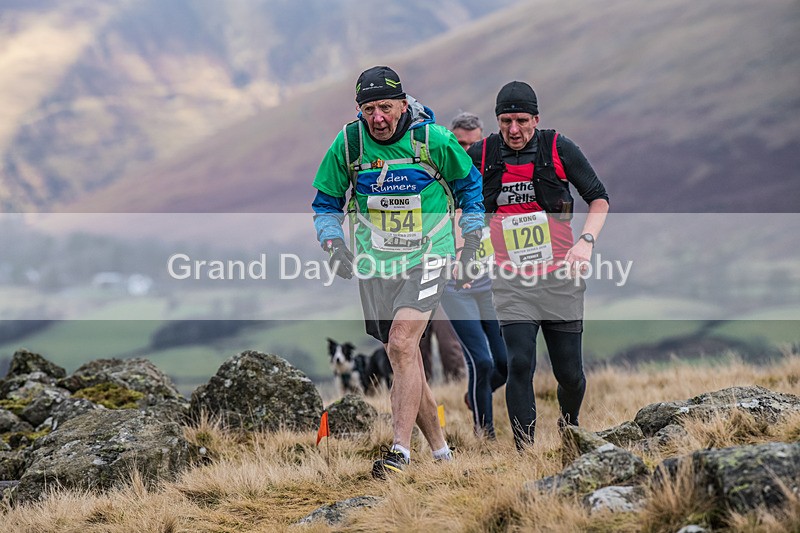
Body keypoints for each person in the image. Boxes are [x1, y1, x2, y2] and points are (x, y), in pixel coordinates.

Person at [311, 66, 485, 477]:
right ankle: (442, 452)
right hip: (375, 261)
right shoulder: (349, 144)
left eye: (386, 107)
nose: (378, 118)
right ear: (359, 110)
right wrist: (333, 242)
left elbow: (470, 186)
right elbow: (326, 202)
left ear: (403, 104)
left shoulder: (433, 139)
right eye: (369, 109)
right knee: (401, 354)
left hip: (430, 254)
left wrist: (473, 235)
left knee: (403, 344)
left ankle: (399, 453)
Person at [466, 81, 609, 449]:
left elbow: (599, 198)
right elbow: (455, 201)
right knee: (519, 364)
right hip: (511, 280)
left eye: (522, 120)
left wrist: (586, 242)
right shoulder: (482, 154)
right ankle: (524, 452)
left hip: (560, 277)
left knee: (571, 375)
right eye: (506, 121)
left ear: (536, 118)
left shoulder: (558, 147)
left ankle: (569, 424)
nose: (514, 130)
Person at [440, 111, 508, 439]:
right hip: (454, 288)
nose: (467, 151)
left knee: (504, 365)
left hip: (489, 283)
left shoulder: (491, 182)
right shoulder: (438, 182)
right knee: (481, 362)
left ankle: (474, 395)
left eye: (474, 144)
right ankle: (486, 436)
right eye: (460, 144)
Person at [419, 307, 466, 383]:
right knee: (419, 349)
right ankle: (422, 387)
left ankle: (456, 384)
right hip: (417, 301)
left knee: (448, 346)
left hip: (442, 300)